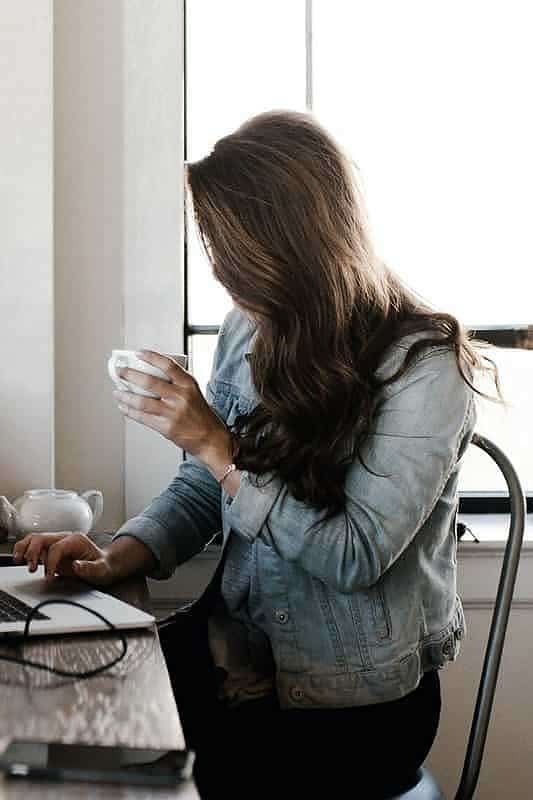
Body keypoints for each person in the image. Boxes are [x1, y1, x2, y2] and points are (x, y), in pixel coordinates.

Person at [14, 111, 499, 799]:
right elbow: (202, 487)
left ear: (290, 243)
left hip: (347, 710)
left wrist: (216, 443)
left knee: (98, 768)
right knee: (45, 726)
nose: (217, 267)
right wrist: (116, 555)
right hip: (232, 657)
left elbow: (352, 556)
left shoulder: (423, 368)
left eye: (225, 246)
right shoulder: (252, 329)